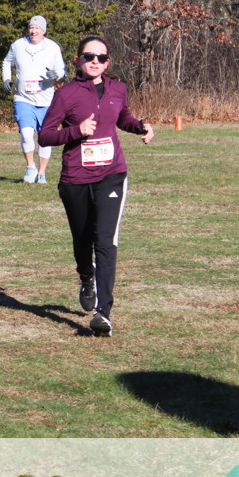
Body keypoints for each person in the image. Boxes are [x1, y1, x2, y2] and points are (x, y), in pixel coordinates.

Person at [38, 37, 154, 337]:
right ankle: (85, 276)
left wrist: (140, 126)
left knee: (105, 240)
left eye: (101, 58)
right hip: (75, 178)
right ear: (78, 60)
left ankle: (103, 313)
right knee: (82, 238)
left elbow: (123, 118)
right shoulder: (66, 94)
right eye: (89, 56)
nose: (95, 62)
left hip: (111, 175)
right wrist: (77, 131)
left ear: (107, 62)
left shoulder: (118, 89)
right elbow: (46, 135)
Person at [2, 15, 65, 183]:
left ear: (43, 31)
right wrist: (6, 78)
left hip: (46, 100)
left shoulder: (52, 47)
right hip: (23, 98)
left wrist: (55, 75)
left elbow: (61, 70)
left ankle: (42, 173)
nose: (33, 31)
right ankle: (30, 167)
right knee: (26, 133)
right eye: (31, 27)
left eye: (37, 28)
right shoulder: (18, 45)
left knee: (45, 137)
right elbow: (7, 62)